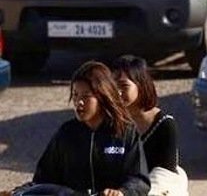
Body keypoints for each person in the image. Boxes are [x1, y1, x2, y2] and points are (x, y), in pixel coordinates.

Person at [3, 61, 150, 196]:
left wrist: (122, 192)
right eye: (75, 95)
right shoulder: (66, 133)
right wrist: (17, 192)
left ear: (103, 96)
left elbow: (140, 181)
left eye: (86, 97)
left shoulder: (125, 132)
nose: (79, 102)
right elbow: (43, 181)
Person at [112, 56, 186, 196]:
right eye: (112, 86)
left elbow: (165, 176)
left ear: (141, 85)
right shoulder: (111, 122)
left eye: (123, 86)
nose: (116, 92)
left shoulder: (164, 125)